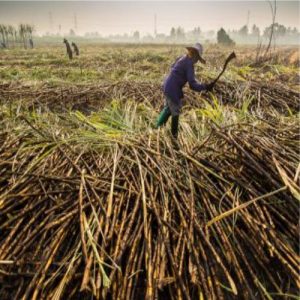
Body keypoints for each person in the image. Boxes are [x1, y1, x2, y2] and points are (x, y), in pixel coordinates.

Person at [156, 43, 215, 139]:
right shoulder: (189, 64)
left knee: (168, 108)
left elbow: (172, 67)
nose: (197, 61)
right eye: (197, 58)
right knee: (175, 111)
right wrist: (205, 87)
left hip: (167, 85)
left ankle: (156, 129)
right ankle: (174, 137)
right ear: (195, 54)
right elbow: (192, 85)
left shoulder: (182, 58)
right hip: (172, 89)